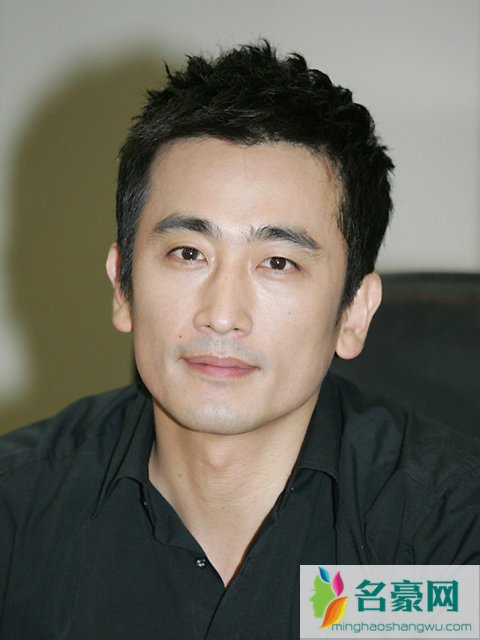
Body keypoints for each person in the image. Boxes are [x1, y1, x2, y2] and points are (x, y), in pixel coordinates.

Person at [0, 41, 479, 640]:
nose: (222, 316)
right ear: (123, 286)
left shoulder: (451, 527)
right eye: (188, 253)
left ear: (355, 312)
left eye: (278, 262)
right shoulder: (16, 509)